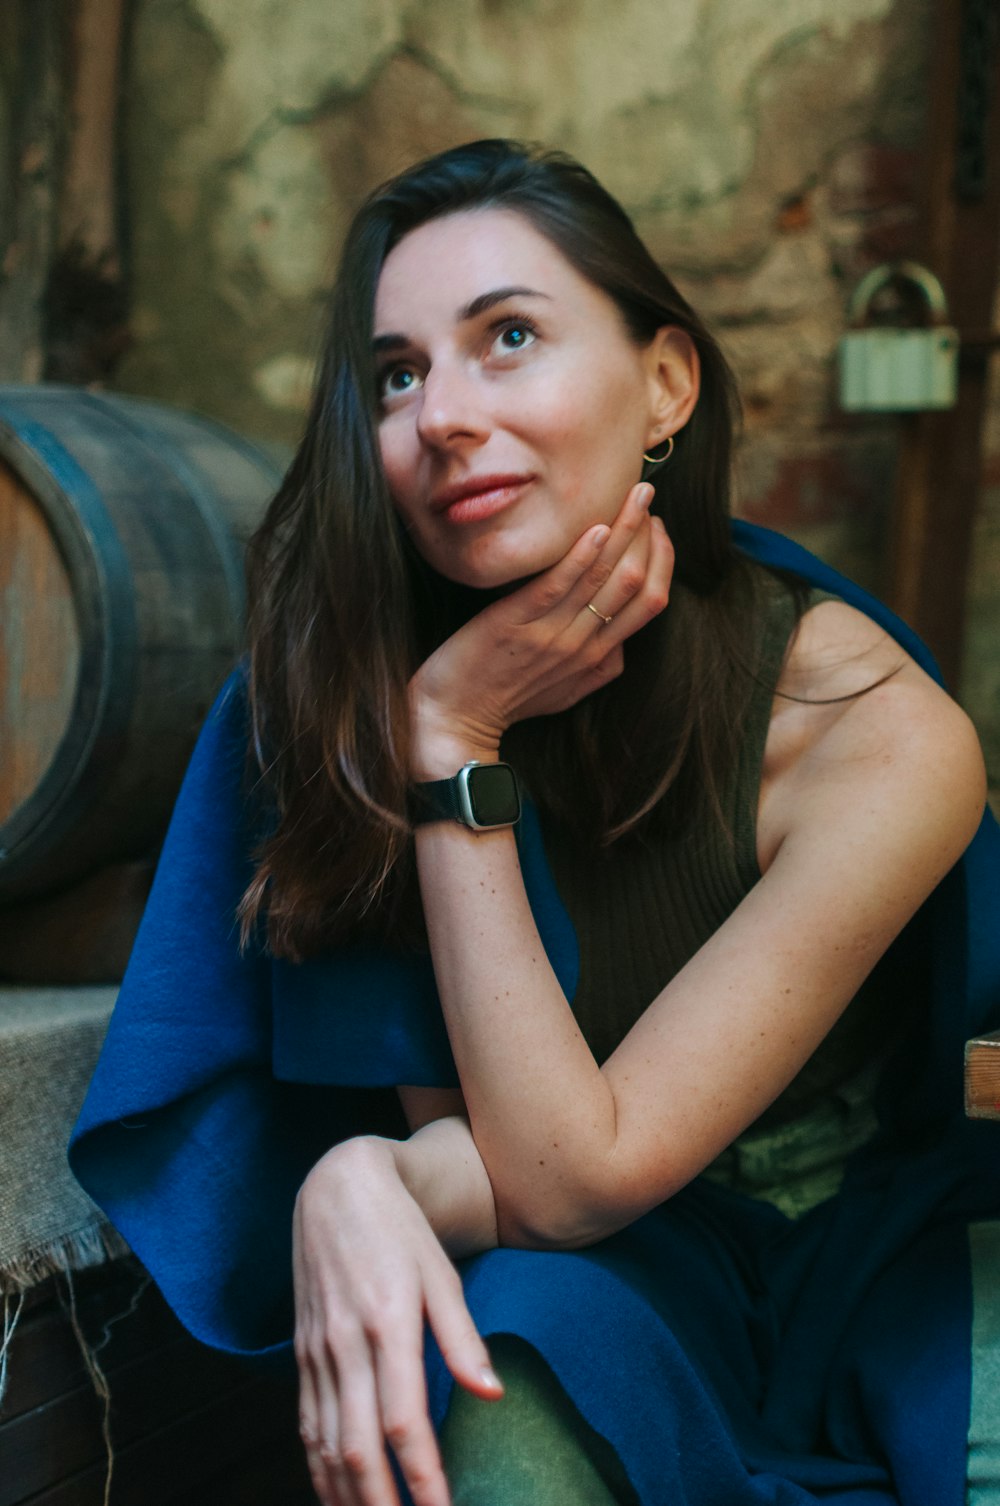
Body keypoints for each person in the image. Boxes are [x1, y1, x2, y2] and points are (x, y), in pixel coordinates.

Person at [70, 139, 1000, 1506]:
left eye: (507, 336)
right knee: (505, 1407)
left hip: (871, 1251)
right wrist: (364, 1173)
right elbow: (528, 1178)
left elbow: (574, 1170)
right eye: (397, 373)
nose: (441, 413)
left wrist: (452, 748)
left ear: (666, 385)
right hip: (605, 1260)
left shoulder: (872, 728)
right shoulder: (346, 693)